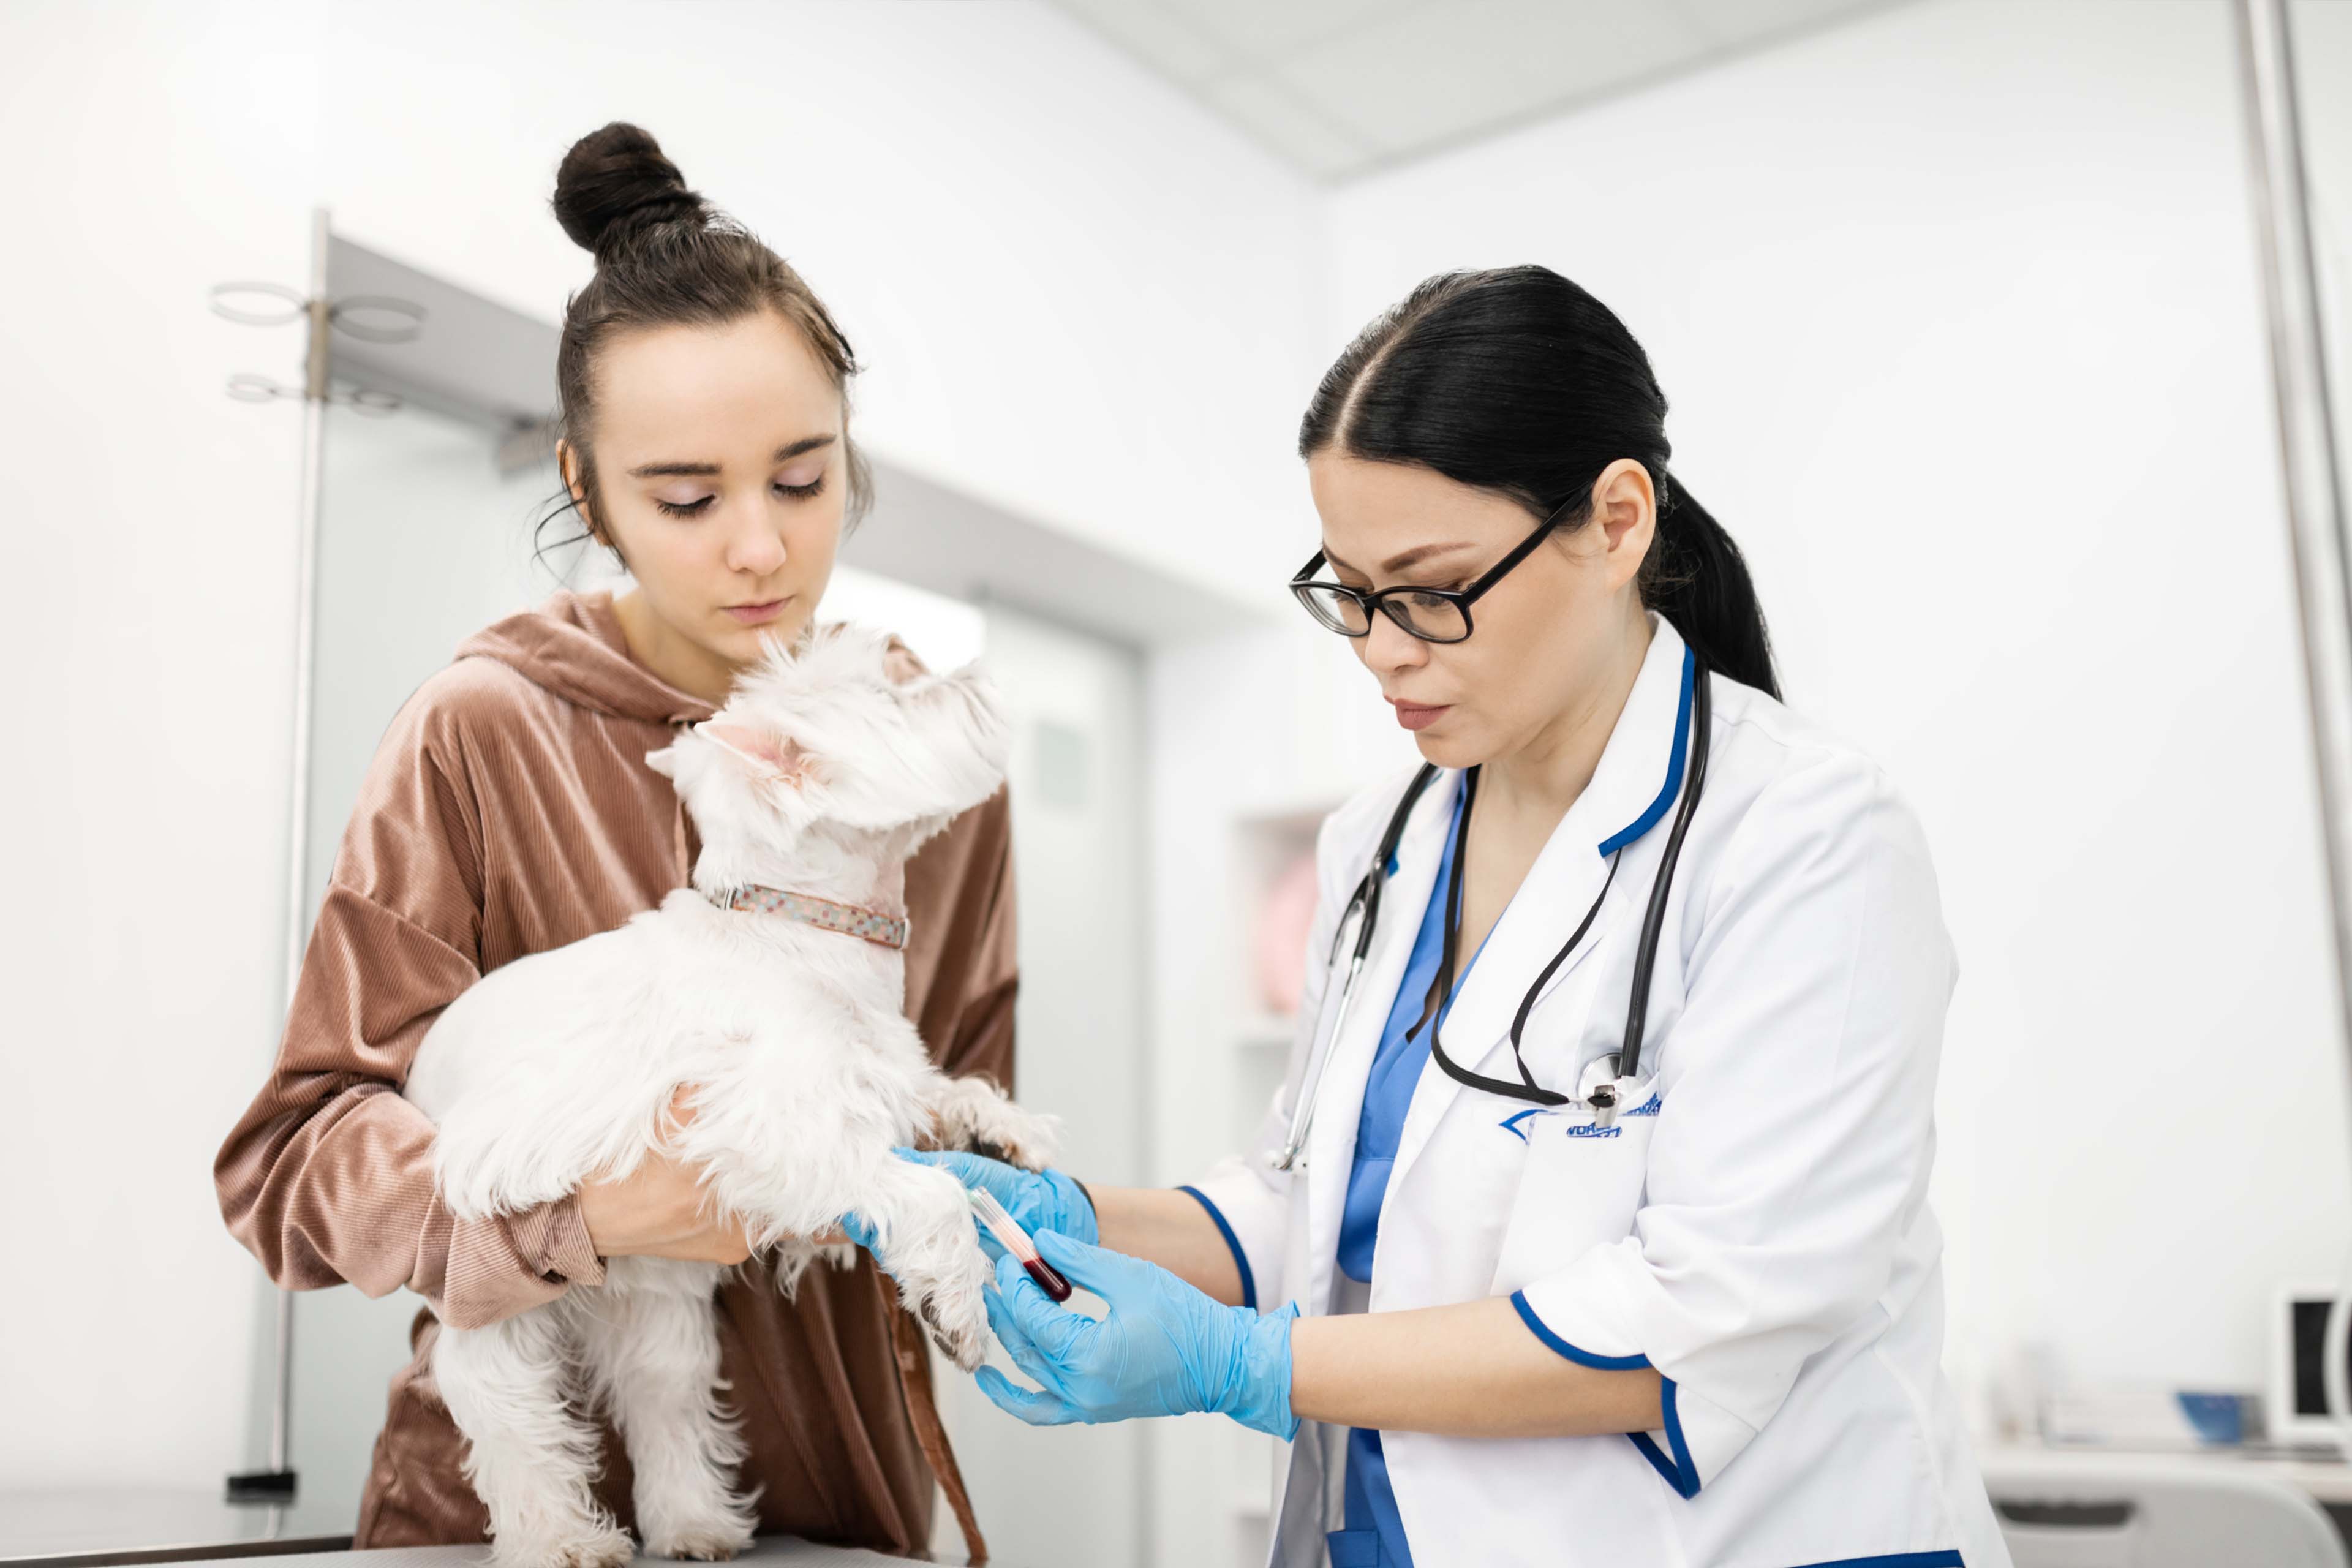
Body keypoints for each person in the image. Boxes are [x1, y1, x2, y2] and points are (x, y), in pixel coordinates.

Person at [905, 267, 2010, 1567]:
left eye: (1430, 591)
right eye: (1351, 592)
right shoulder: (1380, 843)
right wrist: (1070, 1216)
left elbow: (1704, 1316)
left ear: (1615, 522)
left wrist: (1243, 1363)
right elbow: (1307, 1208)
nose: (1383, 648)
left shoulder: (1804, 838)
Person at [213, 123, 1012, 1561]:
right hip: (504, 1517)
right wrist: (584, 1216)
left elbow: (966, 1103)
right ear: (586, 490)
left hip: (837, 1491)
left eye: (804, 478)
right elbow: (290, 1161)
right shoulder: (483, 729)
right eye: (688, 498)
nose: (760, 547)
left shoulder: (912, 759)